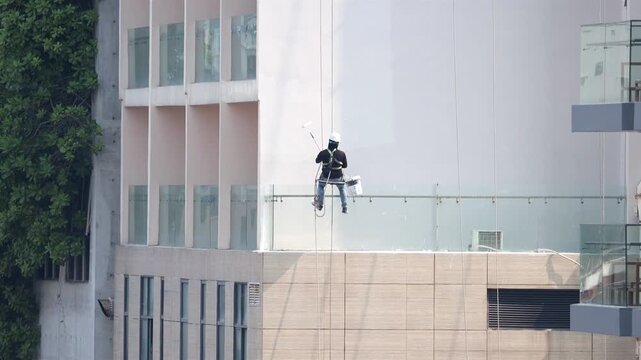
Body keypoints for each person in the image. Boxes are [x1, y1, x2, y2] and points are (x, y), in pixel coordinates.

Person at [313, 132, 349, 214]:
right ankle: (345, 207)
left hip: (325, 177)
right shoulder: (342, 154)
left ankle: (320, 205)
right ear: (337, 143)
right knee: (342, 188)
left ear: (329, 142)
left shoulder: (323, 153)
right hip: (338, 177)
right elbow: (345, 166)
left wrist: (323, 156)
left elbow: (317, 161)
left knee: (321, 186)